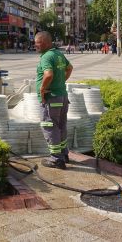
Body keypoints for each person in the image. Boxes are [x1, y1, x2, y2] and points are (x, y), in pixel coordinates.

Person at [34, 31, 73, 170]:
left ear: (45, 43)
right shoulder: (58, 54)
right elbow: (69, 68)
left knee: (50, 126)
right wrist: (60, 82)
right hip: (62, 97)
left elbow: (48, 74)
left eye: (37, 43)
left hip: (51, 98)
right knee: (61, 125)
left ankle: (56, 159)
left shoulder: (46, 56)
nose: (35, 46)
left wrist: (42, 89)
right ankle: (64, 154)